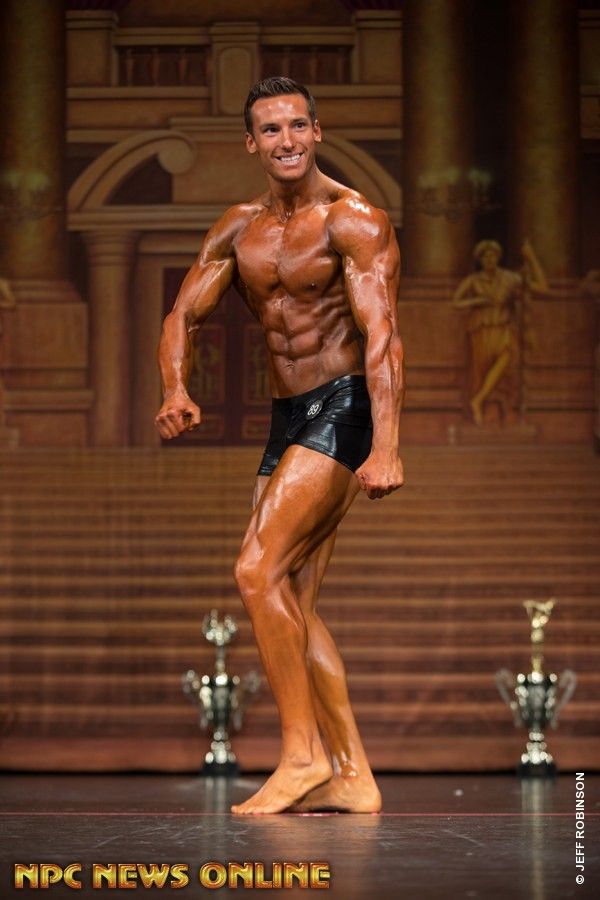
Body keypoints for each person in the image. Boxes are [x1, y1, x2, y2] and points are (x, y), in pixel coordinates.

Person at [155, 76, 404, 815]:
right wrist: (174, 387)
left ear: (317, 132)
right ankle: (353, 774)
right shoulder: (239, 229)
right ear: (251, 142)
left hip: (345, 405)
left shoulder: (354, 220)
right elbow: (181, 315)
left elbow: (383, 336)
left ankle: (301, 756)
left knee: (255, 569)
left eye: (298, 125)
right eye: (271, 129)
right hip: (288, 415)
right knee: (289, 595)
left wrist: (388, 445)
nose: (286, 140)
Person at [453, 239, 547, 425]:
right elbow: (456, 301)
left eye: (493, 256)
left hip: (503, 327)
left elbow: (542, 287)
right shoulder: (473, 280)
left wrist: (531, 258)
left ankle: (479, 399)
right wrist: (476, 301)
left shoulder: (510, 278)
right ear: (480, 260)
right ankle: (480, 405)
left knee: (507, 359)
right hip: (481, 330)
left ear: (498, 257)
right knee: (480, 371)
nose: (490, 260)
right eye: (485, 257)